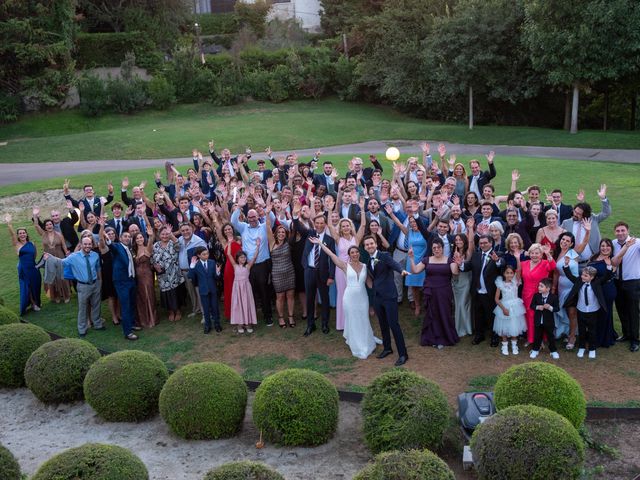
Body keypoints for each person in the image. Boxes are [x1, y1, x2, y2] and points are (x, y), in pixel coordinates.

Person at [311, 237, 379, 359]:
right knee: (353, 319)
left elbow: (370, 284)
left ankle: (366, 339)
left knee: (363, 318)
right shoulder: (344, 265)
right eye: (352, 252)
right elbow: (332, 254)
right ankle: (356, 344)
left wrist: (382, 290)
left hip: (363, 297)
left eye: (356, 252)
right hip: (349, 298)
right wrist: (320, 243)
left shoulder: (365, 266)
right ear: (349, 255)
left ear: (359, 253)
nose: (354, 254)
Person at [364, 235, 410, 366]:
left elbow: (394, 265)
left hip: (389, 296)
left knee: (393, 324)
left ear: (376, 244)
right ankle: (387, 348)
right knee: (382, 324)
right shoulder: (368, 261)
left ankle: (403, 354)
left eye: (371, 243)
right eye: (367, 245)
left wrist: (401, 271)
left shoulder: (384, 255)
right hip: (377, 297)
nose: (369, 246)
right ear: (365, 247)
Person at [409, 238, 460, 348]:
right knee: (432, 315)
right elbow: (415, 270)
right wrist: (412, 258)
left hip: (444, 291)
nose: (436, 250)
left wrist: (457, 261)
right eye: (434, 248)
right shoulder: (427, 259)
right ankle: (431, 338)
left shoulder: (449, 260)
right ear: (432, 249)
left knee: (444, 313)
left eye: (439, 247)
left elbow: (455, 273)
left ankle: (444, 338)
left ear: (442, 248)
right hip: (430, 291)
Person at [51, 236, 105, 337]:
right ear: (81, 244)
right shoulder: (74, 257)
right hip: (83, 286)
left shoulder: (95, 255)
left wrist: (99, 281)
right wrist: (50, 258)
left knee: (96, 305)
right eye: (85, 244)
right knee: (83, 308)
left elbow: (97, 269)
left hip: (95, 284)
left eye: (89, 244)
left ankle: (97, 324)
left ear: (92, 244)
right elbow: (61, 262)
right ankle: (82, 329)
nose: (87, 246)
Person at [231, 204, 274, 326]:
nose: (252, 219)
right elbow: (233, 221)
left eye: (254, 216)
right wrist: (239, 207)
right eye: (249, 217)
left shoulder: (264, 226)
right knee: (250, 291)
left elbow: (273, 219)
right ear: (247, 218)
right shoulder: (244, 227)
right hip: (248, 266)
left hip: (262, 264)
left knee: (264, 291)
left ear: (257, 216)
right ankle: (250, 316)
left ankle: (268, 316)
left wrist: (265, 207)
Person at [295, 213, 336, 336]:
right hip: (309, 271)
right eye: (317, 223)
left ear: (325, 224)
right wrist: (296, 216)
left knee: (324, 299)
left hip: (323, 273)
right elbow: (298, 226)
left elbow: (333, 259)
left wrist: (331, 276)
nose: (319, 225)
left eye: (321, 223)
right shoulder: (310, 234)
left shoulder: (329, 240)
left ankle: (324, 324)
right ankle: (310, 325)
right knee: (310, 299)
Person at [458, 234, 504, 346]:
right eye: (481, 243)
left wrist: (497, 261)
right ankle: (479, 335)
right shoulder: (476, 255)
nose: (482, 245)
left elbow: (501, 265)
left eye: (485, 243)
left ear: (491, 243)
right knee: (478, 315)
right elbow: (467, 267)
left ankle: (494, 337)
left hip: (491, 292)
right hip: (477, 292)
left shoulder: (498, 254)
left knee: (491, 316)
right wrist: (461, 264)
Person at [552, 221, 591, 349]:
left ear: (571, 244)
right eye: (563, 239)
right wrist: (553, 288)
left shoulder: (573, 253)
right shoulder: (557, 254)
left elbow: (584, 243)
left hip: (572, 288)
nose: (564, 242)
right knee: (565, 311)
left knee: (572, 312)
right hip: (561, 288)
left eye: (567, 241)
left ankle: (572, 337)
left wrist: (588, 231)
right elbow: (556, 274)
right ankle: (567, 332)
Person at [328, 202, 366, 330]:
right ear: (340, 227)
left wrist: (362, 209)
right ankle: (342, 324)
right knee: (343, 294)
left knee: (355, 293)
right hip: (341, 269)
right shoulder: (338, 238)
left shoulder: (356, 238)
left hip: (355, 269)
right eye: (343, 226)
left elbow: (364, 225)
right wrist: (329, 210)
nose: (345, 227)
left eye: (347, 225)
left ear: (350, 226)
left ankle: (355, 320)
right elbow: (329, 225)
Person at [563, 261, 613, 359]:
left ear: (592, 277)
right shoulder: (579, 281)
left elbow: (607, 276)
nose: (582, 277)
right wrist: (566, 265)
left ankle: (592, 348)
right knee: (581, 329)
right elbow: (569, 276)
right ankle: (581, 347)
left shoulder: (597, 283)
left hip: (593, 310)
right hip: (581, 309)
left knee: (592, 330)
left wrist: (608, 266)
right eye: (582, 275)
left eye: (585, 276)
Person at [560, 185, 610, 265]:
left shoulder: (593, 220)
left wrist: (603, 198)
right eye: (575, 211)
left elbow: (606, 213)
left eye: (579, 214)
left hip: (591, 262)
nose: (575, 214)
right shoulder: (566, 223)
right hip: (571, 262)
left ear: (585, 215)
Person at [31, 208, 71, 303]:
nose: (49, 226)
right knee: (52, 276)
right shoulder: (43, 234)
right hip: (48, 257)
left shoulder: (59, 234)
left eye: (50, 224)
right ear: (45, 227)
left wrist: (67, 256)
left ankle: (66, 295)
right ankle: (56, 296)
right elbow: (36, 225)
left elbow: (64, 246)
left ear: (53, 225)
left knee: (61, 276)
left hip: (59, 256)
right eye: (47, 225)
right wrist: (35, 216)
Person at [105, 230, 139, 340]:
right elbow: (109, 244)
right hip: (121, 282)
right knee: (125, 305)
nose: (127, 238)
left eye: (129, 236)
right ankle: (127, 332)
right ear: (120, 238)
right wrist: (102, 229)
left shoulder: (129, 249)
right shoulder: (117, 247)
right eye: (125, 236)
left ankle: (132, 324)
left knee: (132, 303)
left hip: (131, 280)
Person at [265, 209, 297, 328]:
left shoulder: (288, 243)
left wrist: (290, 214)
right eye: (279, 232)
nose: (281, 234)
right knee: (280, 297)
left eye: (283, 232)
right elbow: (268, 227)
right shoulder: (272, 243)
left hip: (289, 272)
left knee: (290, 295)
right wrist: (267, 213)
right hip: (277, 274)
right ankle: (281, 318)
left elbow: (295, 227)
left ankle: (291, 316)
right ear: (276, 234)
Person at [612, 222, 639, 352]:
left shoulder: (637, 242)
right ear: (615, 232)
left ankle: (635, 339)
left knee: (633, 311)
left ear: (627, 231)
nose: (620, 233)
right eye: (618, 231)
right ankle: (626, 334)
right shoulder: (613, 243)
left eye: (623, 230)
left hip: (632, 281)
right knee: (621, 308)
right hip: (617, 281)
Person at [5, 214, 41, 315]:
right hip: (23, 269)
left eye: (23, 233)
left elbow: (35, 255)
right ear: (18, 235)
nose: (22, 235)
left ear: (26, 234)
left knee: (36, 285)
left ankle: (37, 301)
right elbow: (12, 234)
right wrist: (9, 223)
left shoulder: (32, 243)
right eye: (20, 233)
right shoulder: (17, 244)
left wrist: (33, 265)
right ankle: (33, 304)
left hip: (33, 267)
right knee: (27, 287)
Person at [521, 243, 556, 345]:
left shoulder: (545, 263)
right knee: (529, 317)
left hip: (540, 294)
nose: (534, 255)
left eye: (537, 253)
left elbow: (553, 266)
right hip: (526, 294)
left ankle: (541, 339)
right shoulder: (524, 263)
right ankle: (530, 339)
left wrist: (548, 254)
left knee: (541, 317)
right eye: (532, 253)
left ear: (541, 255)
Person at [587, 239, 618, 348]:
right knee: (596, 313)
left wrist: (609, 266)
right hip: (595, 289)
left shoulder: (612, 260)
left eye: (608, 246)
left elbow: (609, 276)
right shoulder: (594, 257)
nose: (605, 248)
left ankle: (603, 339)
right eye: (603, 246)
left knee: (605, 313)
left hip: (607, 289)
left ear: (611, 248)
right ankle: (596, 335)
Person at [226, 241, 260, 334]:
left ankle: (248, 323)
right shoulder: (235, 266)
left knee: (247, 304)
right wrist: (229, 244)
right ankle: (240, 324)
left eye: (244, 257)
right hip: (237, 288)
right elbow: (229, 254)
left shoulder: (248, 266)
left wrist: (257, 246)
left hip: (246, 287)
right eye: (241, 257)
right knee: (238, 304)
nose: (243, 258)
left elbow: (255, 257)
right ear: (237, 259)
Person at [493, 265, 527, 355]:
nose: (509, 275)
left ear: (514, 273)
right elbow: (496, 299)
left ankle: (514, 344)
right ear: (504, 273)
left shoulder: (516, 282)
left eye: (511, 273)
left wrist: (517, 257)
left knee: (514, 326)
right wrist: (503, 309)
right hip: (504, 306)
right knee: (504, 327)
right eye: (507, 273)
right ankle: (504, 345)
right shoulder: (500, 284)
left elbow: (519, 269)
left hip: (516, 308)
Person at [152, 225, 183, 322]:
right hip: (162, 275)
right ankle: (170, 311)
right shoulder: (155, 245)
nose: (165, 236)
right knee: (166, 293)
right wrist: (154, 265)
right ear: (159, 235)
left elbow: (178, 245)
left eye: (166, 234)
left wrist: (171, 234)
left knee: (175, 292)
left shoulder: (172, 242)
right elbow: (152, 258)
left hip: (174, 272)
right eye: (163, 234)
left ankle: (178, 311)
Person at [189, 246, 222, 334]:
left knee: (215, 307)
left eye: (207, 253)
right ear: (199, 255)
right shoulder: (196, 265)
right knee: (206, 309)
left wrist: (218, 272)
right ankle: (207, 325)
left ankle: (217, 324)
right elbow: (191, 277)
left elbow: (216, 277)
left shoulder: (212, 262)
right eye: (204, 254)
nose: (206, 255)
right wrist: (192, 267)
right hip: (203, 290)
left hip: (212, 289)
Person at [177, 222, 207, 318]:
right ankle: (196, 309)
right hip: (185, 271)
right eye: (183, 230)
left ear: (192, 229)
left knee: (199, 292)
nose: (185, 232)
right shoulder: (180, 240)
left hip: (196, 272)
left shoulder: (199, 242)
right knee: (191, 292)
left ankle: (204, 313)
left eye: (187, 230)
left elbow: (205, 256)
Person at [452, 222, 475, 337]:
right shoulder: (454, 252)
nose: (458, 241)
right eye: (456, 240)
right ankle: (458, 327)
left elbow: (471, 242)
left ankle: (467, 328)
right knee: (457, 304)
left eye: (460, 239)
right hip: (455, 280)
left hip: (466, 280)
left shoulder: (468, 252)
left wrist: (470, 228)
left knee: (464, 304)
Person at [132, 229, 157, 328]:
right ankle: (143, 319)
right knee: (140, 297)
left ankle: (151, 319)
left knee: (148, 295)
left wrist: (151, 236)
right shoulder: (133, 250)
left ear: (144, 238)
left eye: (141, 237)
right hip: (137, 277)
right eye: (137, 238)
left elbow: (151, 242)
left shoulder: (148, 248)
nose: (139, 239)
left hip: (146, 276)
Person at [529, 278, 560, 359]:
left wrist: (550, 307)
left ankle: (553, 351)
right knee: (537, 336)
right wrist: (537, 307)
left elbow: (557, 309)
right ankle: (535, 350)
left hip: (549, 322)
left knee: (550, 336)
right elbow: (531, 306)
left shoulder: (553, 297)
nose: (539, 287)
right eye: (539, 285)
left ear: (548, 288)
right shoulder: (536, 296)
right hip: (538, 321)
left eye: (541, 286)